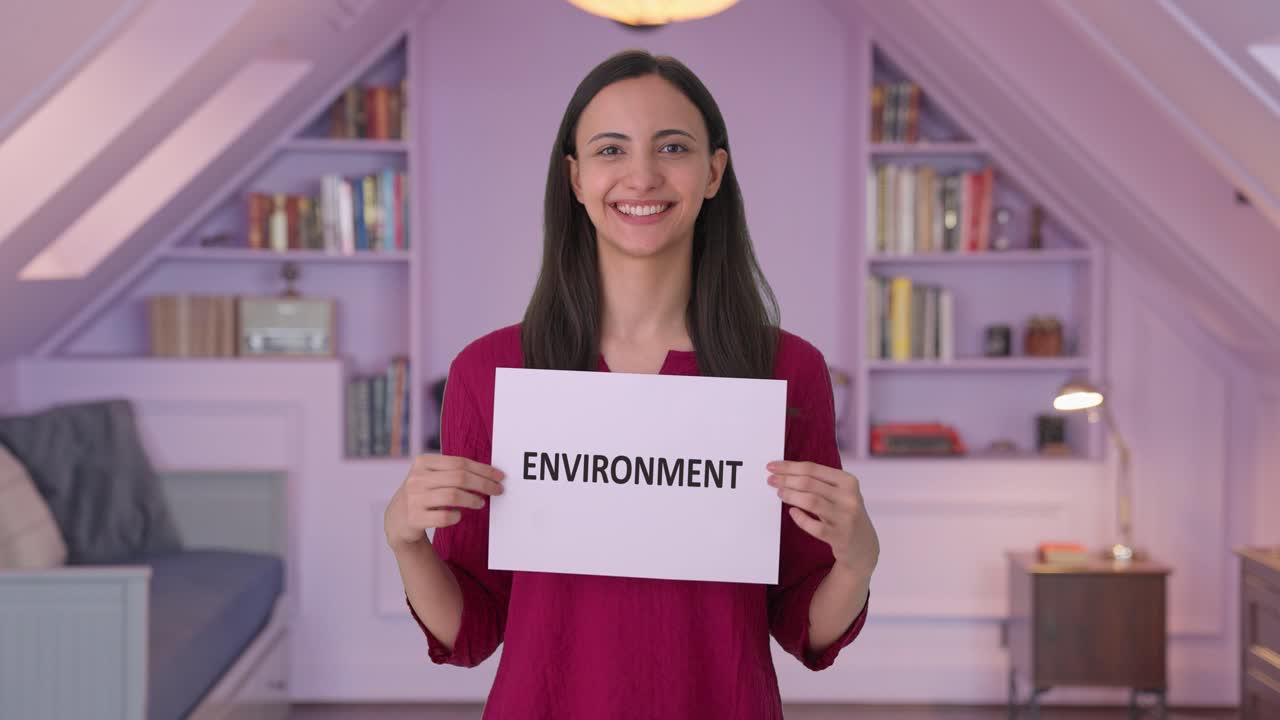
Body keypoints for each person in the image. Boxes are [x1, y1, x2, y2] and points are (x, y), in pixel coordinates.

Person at [383, 49, 880, 719]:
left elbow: (804, 628)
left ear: (713, 172)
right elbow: (471, 632)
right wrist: (404, 540)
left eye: (671, 147)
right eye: (611, 149)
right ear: (576, 178)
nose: (642, 175)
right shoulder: (490, 372)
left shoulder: (787, 370)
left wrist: (857, 560)